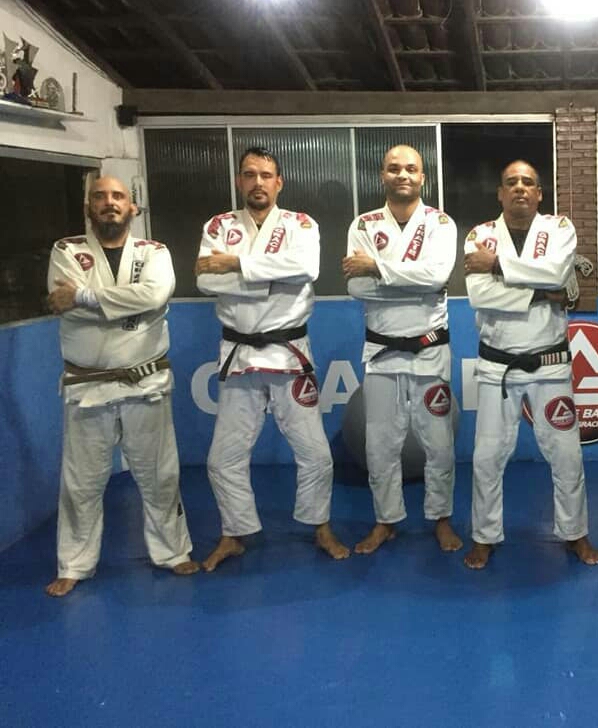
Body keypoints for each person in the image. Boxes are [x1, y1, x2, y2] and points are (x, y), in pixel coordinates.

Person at [196, 146, 349, 571]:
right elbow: (206, 280)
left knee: (315, 452)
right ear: (239, 181)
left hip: (289, 353)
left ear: (279, 183)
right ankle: (234, 533)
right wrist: (272, 276)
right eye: (250, 174)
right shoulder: (219, 225)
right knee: (222, 457)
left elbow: (306, 268)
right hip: (239, 354)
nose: (258, 182)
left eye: (266, 175)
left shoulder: (301, 224)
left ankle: (320, 526)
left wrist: (236, 265)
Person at [44, 176, 197, 597]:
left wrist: (85, 298)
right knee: (81, 483)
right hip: (86, 383)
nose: (108, 202)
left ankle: (172, 551)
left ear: (133, 208)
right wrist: (130, 302)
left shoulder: (154, 252)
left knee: (160, 475)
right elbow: (66, 305)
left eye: (117, 196)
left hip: (144, 380)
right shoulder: (67, 251)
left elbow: (155, 295)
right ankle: (74, 564)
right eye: (99, 196)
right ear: (88, 207)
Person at [461, 160, 598, 570]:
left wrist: (498, 267)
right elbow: (481, 296)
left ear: (539, 193)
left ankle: (575, 532)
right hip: (497, 366)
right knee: (487, 456)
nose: (520, 187)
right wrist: (542, 293)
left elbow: (557, 273)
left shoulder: (559, 228)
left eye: (528, 182)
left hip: (550, 364)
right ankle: (485, 535)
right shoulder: (480, 235)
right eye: (511, 182)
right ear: (500, 193)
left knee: (567, 454)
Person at [343, 145, 462, 554]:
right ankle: (386, 520)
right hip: (381, 353)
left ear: (422, 177)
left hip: (430, 351)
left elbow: (437, 276)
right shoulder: (364, 223)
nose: (403, 175)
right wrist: (414, 283)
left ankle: (441, 518)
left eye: (411, 168)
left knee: (439, 443)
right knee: (379, 444)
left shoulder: (440, 223)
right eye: (394, 168)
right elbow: (356, 287)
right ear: (383, 175)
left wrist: (377, 268)